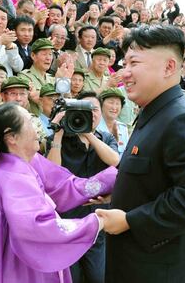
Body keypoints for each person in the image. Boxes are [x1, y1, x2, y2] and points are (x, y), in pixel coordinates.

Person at [96, 25, 185, 283]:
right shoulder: (153, 112)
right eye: (124, 62)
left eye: (134, 63)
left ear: (168, 67)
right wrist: (121, 192)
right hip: (135, 262)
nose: (124, 73)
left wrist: (130, 220)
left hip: (158, 269)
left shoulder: (183, 119)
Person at [0, 102, 118, 283]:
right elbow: (40, 228)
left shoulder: (24, 161)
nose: (38, 127)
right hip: (14, 256)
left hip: (9, 248)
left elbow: (63, 187)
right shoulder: (13, 177)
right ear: (12, 137)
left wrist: (114, 178)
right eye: (30, 121)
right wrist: (98, 222)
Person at [46, 91, 119, 283]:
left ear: (100, 113)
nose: (90, 113)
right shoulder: (60, 138)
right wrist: (59, 134)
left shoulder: (106, 138)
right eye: (83, 110)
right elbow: (51, 172)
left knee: (98, 276)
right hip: (68, 219)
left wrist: (88, 132)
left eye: (94, 109)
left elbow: (115, 162)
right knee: (72, 277)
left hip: (98, 218)